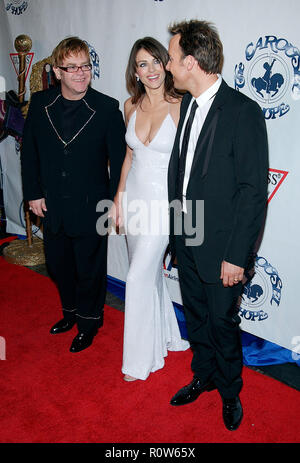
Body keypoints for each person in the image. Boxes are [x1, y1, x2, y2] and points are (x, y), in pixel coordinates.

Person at [166, 20, 268, 430]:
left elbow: (251, 192)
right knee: (196, 316)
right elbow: (184, 177)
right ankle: (203, 374)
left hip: (222, 249)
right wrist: (177, 236)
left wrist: (235, 258)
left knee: (223, 324)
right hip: (187, 237)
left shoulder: (243, 111)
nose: (169, 67)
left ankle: (230, 391)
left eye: (173, 59)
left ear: (191, 62)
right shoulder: (188, 104)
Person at [21, 37, 126, 353]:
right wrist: (33, 192)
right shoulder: (40, 104)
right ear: (57, 71)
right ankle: (69, 313)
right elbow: (30, 153)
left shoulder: (107, 108)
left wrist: (113, 202)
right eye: (72, 68)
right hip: (52, 203)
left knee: (89, 269)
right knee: (57, 264)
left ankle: (89, 322)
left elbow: (120, 161)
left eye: (85, 67)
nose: (81, 74)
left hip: (91, 205)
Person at [111, 37, 189, 382]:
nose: (152, 69)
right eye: (143, 64)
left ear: (166, 65)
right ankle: (169, 336)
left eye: (157, 61)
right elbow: (129, 157)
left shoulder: (181, 105)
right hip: (134, 201)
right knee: (150, 274)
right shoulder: (130, 105)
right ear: (136, 72)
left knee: (137, 277)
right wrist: (117, 199)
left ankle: (138, 361)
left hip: (163, 204)